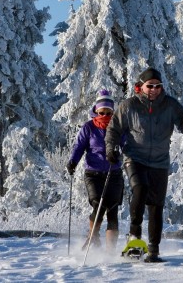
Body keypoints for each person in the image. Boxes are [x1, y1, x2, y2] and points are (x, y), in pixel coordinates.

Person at [105, 67, 183, 262]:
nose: (154, 89)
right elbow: (113, 129)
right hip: (135, 158)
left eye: (157, 86)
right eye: (150, 85)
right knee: (140, 189)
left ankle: (154, 248)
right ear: (141, 86)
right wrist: (111, 149)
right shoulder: (129, 106)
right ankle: (134, 237)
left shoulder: (170, 105)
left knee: (156, 205)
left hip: (160, 162)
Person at [66, 89, 125, 253]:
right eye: (102, 112)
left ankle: (110, 252)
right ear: (96, 111)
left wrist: (119, 153)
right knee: (98, 205)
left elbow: (128, 145)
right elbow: (79, 147)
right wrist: (73, 162)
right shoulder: (89, 127)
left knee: (112, 211)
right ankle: (92, 236)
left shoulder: (119, 127)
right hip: (93, 173)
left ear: (113, 111)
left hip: (114, 174)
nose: (105, 114)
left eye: (108, 112)